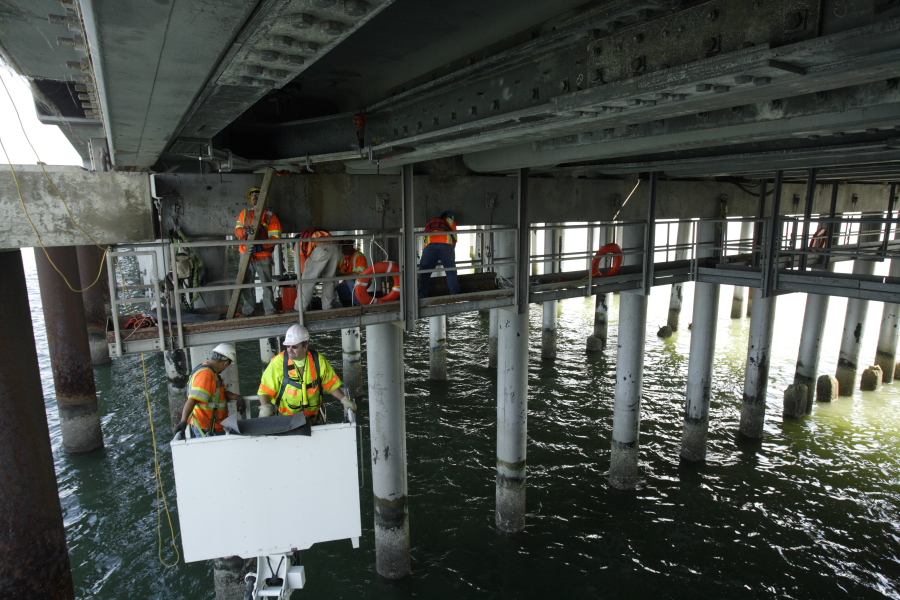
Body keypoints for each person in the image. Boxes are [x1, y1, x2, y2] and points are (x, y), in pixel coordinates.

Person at [257, 324, 356, 424]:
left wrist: (344, 400)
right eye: (288, 346)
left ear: (305, 346)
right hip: (287, 422)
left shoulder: (318, 360)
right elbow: (265, 390)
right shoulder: (278, 363)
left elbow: (331, 384)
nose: (290, 349)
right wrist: (266, 407)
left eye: (294, 346)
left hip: (313, 420)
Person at [173, 343, 246, 437]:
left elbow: (220, 394)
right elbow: (193, 399)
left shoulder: (211, 373)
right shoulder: (206, 374)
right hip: (208, 428)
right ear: (226, 362)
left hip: (213, 426)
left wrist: (238, 397)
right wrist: (183, 421)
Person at [235, 186, 283, 316]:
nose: (255, 196)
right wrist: (245, 231)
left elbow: (275, 237)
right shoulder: (244, 214)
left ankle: (270, 311)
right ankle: (248, 310)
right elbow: (238, 232)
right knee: (246, 284)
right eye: (253, 195)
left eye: (258, 194)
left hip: (263, 256)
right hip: (246, 255)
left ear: (265, 198)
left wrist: (261, 246)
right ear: (250, 199)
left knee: (266, 285)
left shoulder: (270, 216)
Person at [295, 227, 341, 311]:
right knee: (329, 279)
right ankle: (327, 307)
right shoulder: (313, 234)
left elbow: (304, 267)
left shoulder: (298, 244)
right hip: (335, 247)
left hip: (321, 248)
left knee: (307, 281)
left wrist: (310, 277)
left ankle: (299, 308)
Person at [418, 210, 460, 298]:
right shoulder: (450, 221)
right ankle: (455, 294)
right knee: (450, 270)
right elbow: (455, 237)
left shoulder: (431, 222)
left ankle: (422, 295)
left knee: (424, 271)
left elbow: (425, 238)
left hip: (430, 246)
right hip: (446, 246)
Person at [334, 242, 368, 307]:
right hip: (348, 283)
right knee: (337, 290)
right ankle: (347, 302)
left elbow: (358, 274)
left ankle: (358, 304)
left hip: (359, 283)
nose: (341, 249)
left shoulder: (359, 256)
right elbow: (337, 270)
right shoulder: (344, 257)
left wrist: (340, 275)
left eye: (342, 247)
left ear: (349, 246)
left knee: (351, 281)